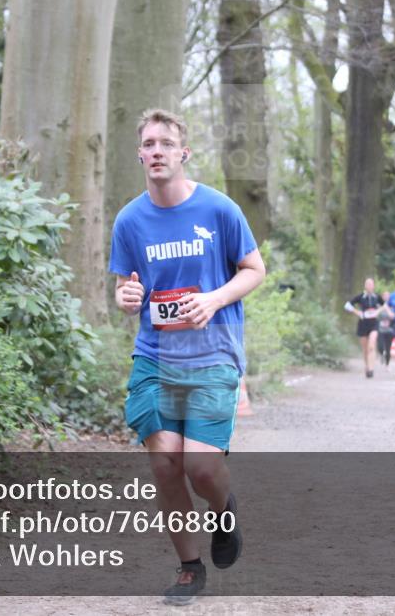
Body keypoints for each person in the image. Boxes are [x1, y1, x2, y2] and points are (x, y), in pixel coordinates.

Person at [110, 108, 265, 605]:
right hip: (155, 356)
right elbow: (125, 285)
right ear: (140, 153)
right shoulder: (130, 220)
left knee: (201, 469)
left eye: (165, 143)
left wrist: (215, 298)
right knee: (164, 465)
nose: (156, 151)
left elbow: (254, 269)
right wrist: (124, 297)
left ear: (183, 153)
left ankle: (224, 510)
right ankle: (189, 568)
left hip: (213, 353)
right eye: (148, 144)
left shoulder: (219, 210)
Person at [344, 278, 382, 378]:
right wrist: (357, 312)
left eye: (371, 284)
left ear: (374, 286)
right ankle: (367, 366)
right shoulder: (360, 297)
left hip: (374, 323)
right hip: (363, 324)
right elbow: (347, 305)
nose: (369, 286)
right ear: (365, 286)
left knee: (371, 346)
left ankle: (371, 369)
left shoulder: (377, 297)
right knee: (365, 349)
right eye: (367, 284)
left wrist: (378, 312)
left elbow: (386, 305)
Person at [376, 291, 395, 369]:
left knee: (388, 348)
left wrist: (387, 308)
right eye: (385, 296)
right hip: (380, 329)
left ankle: (387, 365)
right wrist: (382, 307)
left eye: (388, 296)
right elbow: (375, 315)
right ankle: (381, 354)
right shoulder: (378, 305)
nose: (386, 297)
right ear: (382, 297)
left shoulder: (393, 306)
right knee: (380, 346)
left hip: (390, 330)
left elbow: (393, 316)